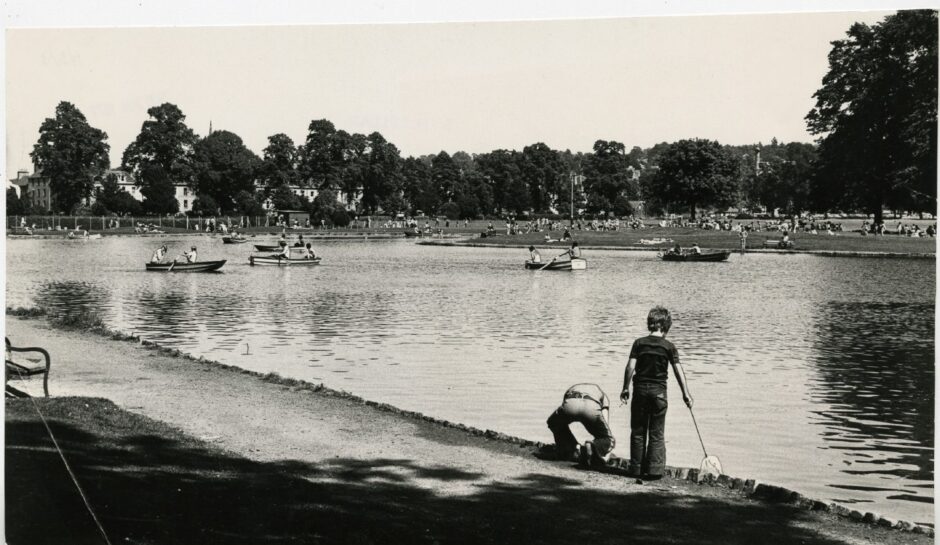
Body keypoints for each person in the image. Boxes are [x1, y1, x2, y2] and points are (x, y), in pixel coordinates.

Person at [620, 306, 693, 479]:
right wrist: (686, 394)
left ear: (650, 324)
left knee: (638, 431)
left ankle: (636, 468)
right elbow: (678, 370)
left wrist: (625, 387)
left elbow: (630, 366)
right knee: (657, 432)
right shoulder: (669, 347)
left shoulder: (639, 343)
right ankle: (654, 471)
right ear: (665, 326)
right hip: (659, 393)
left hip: (640, 392)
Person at [547, 383, 615, 466]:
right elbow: (605, 424)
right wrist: (605, 454)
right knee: (608, 438)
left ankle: (572, 448)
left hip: (571, 402)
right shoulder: (603, 397)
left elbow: (564, 405)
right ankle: (593, 446)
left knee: (554, 423)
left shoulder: (572, 388)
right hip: (590, 407)